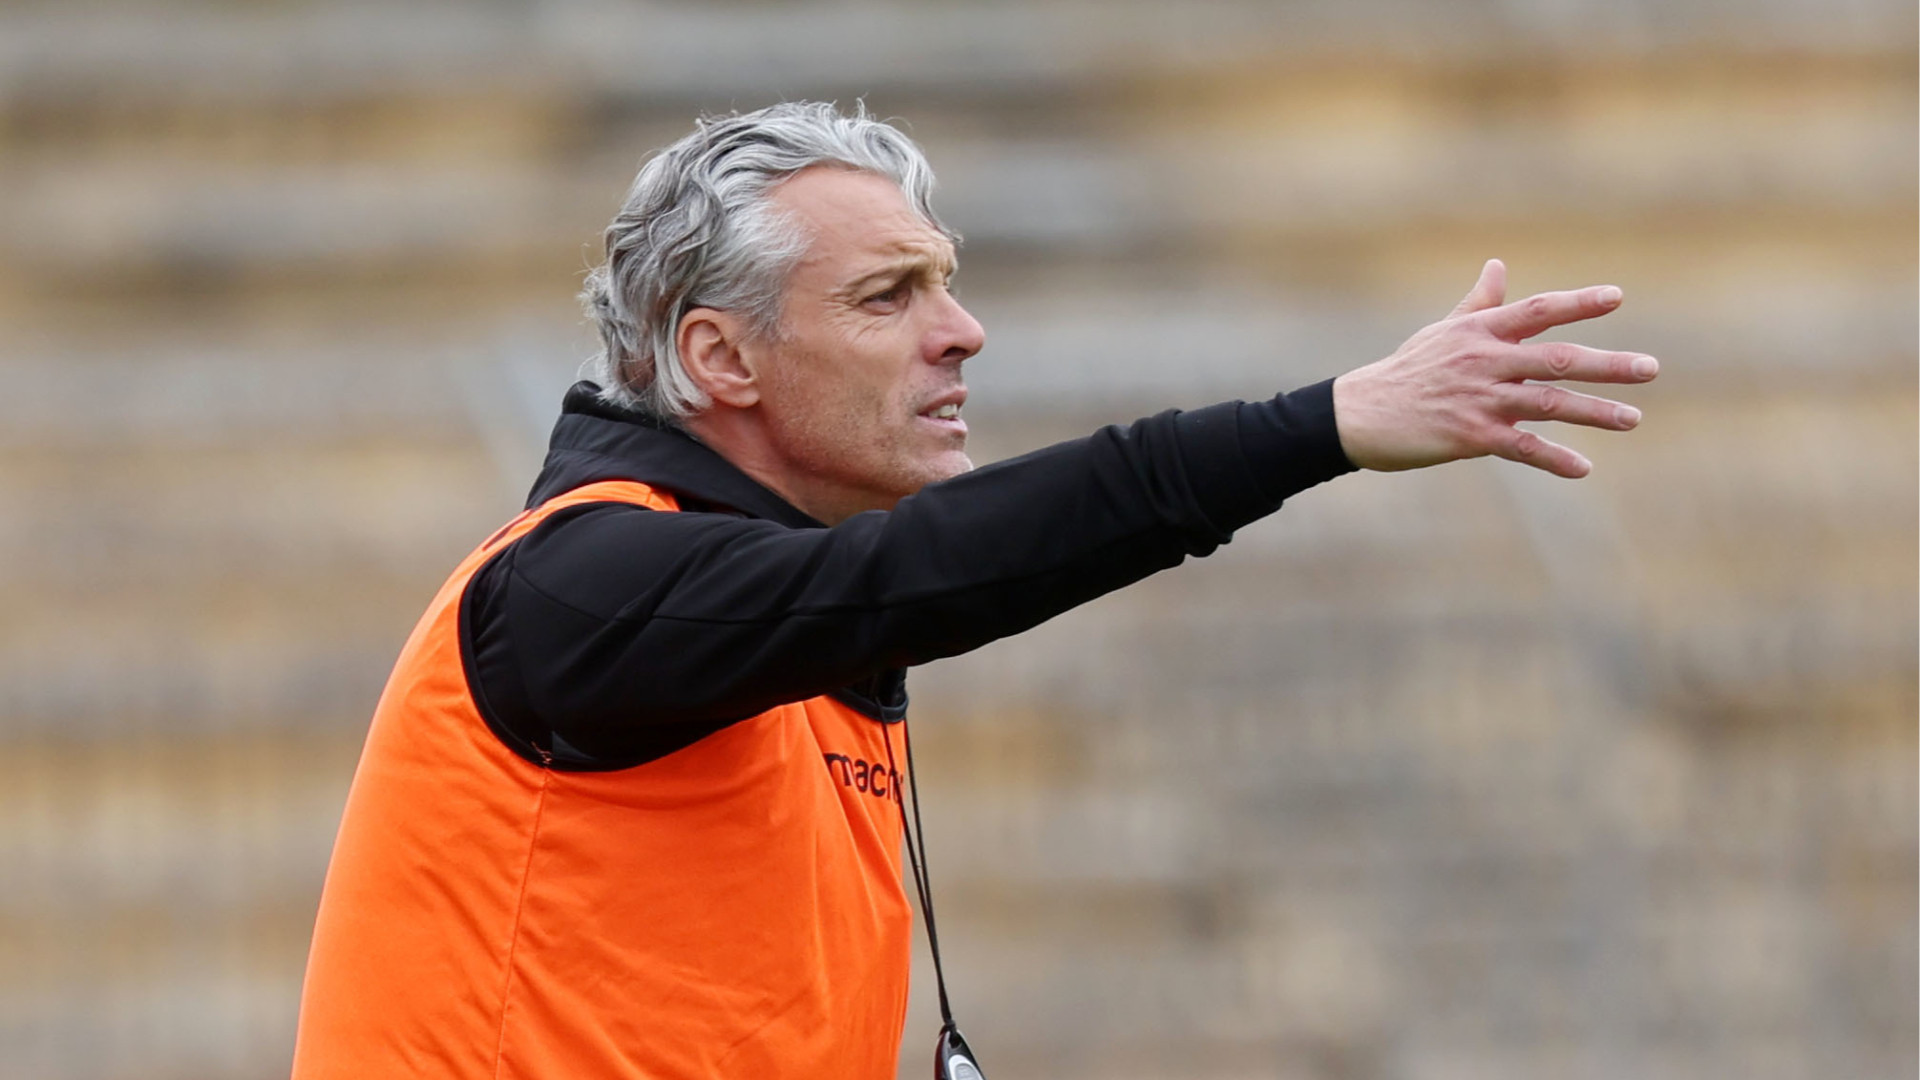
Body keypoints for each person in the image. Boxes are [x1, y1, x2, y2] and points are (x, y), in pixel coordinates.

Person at [290, 102, 1658, 1079]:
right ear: (720, 359)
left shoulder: (778, 616)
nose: (963, 333)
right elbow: (931, 570)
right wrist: (1327, 423)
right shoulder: (578, 581)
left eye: (945, 285)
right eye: (888, 297)